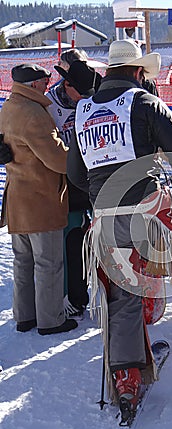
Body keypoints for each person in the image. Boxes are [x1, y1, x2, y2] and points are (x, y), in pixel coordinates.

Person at [67, 39, 172, 421]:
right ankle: (150, 321)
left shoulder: (83, 110)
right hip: (146, 211)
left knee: (121, 291)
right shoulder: (144, 102)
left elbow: (74, 172)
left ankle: (124, 372)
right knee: (170, 259)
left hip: (104, 215)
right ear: (139, 71)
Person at [0, 63, 78, 335]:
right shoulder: (34, 113)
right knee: (48, 264)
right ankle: (51, 320)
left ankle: (25, 316)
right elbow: (57, 159)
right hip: (40, 199)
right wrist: (80, 158)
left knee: (23, 261)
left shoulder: (10, 106)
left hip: (17, 198)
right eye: (44, 80)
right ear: (33, 84)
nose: (48, 84)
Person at [47, 59, 101, 317]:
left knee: (88, 243)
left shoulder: (92, 99)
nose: (85, 98)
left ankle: (83, 293)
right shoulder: (48, 105)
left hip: (89, 181)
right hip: (62, 185)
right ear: (67, 85)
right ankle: (71, 295)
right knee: (70, 241)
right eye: (81, 93)